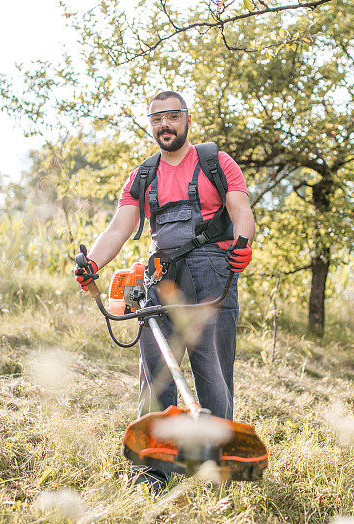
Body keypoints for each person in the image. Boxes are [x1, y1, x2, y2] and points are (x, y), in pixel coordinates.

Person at [73, 90, 254, 494]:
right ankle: (151, 474)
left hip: (212, 271)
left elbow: (241, 209)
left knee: (213, 371)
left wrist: (243, 243)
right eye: (157, 119)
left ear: (187, 119)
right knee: (155, 373)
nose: (164, 125)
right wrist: (92, 265)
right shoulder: (143, 175)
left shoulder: (216, 162)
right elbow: (119, 228)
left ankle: (216, 469)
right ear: (151, 124)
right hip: (162, 275)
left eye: (172, 117)